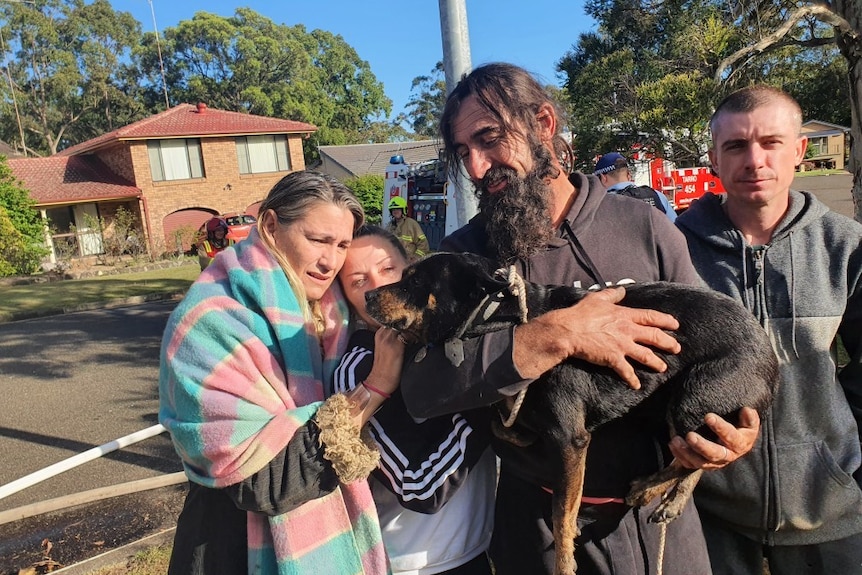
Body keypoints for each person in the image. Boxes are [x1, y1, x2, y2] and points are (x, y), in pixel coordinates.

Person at [398, 62, 762, 575]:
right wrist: (553, 334)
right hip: (542, 532)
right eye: (464, 154)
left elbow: (715, 343)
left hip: (660, 530)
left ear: (543, 123)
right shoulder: (465, 258)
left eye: (490, 139)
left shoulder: (644, 227)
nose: (478, 168)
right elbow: (423, 387)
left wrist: (738, 435)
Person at [159, 170, 397, 575]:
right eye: (318, 240)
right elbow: (265, 482)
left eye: (341, 245)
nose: (330, 261)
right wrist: (373, 389)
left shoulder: (332, 313)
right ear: (270, 226)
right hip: (229, 546)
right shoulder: (211, 324)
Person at [676, 85, 862, 575]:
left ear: (799, 150)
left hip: (830, 510)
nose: (754, 160)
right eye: (735, 146)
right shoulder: (672, 249)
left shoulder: (845, 245)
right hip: (706, 512)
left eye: (771, 143)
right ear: (714, 157)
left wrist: (847, 470)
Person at [333, 225, 496, 575]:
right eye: (358, 282)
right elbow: (420, 486)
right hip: (415, 564)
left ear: (413, 270)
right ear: (346, 298)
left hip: (479, 549)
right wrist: (491, 388)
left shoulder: (441, 340)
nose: (378, 287)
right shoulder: (357, 370)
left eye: (388, 269)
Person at [593, 152, 677, 222]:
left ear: (603, 178)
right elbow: (677, 231)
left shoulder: (602, 204)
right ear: (629, 175)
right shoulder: (658, 196)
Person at [386, 196, 430, 261]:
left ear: (403, 210)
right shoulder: (389, 226)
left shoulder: (411, 224)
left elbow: (424, 244)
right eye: (393, 210)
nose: (395, 211)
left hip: (408, 262)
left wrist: (416, 258)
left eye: (398, 209)